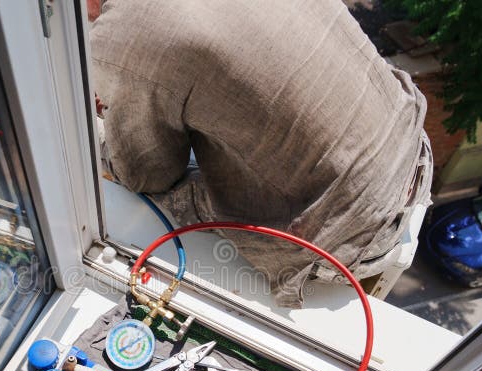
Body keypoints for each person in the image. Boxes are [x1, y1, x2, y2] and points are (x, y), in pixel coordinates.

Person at [89, 0, 432, 307]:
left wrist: (111, 118)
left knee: (128, 166)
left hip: (351, 232)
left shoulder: (125, 30)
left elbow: (145, 173)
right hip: (410, 143)